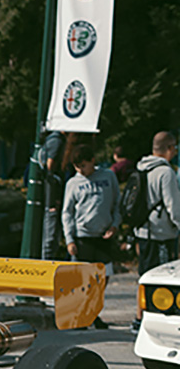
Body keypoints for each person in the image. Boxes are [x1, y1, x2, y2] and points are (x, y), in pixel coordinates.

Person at [62, 143, 118, 329]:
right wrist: (69, 239)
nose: (81, 170)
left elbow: (117, 203)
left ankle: (92, 312)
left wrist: (115, 225)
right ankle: (81, 315)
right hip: (83, 236)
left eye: (83, 166)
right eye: (77, 167)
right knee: (83, 280)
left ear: (92, 161)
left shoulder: (108, 176)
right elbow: (67, 212)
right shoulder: (73, 183)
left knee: (103, 278)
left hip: (103, 235)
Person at [134, 131, 180, 276]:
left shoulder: (142, 167)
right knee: (162, 278)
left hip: (143, 230)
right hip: (161, 233)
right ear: (169, 148)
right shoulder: (166, 172)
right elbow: (173, 206)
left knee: (146, 276)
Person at [37, 130, 66, 260]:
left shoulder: (49, 139)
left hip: (49, 195)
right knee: (50, 234)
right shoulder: (57, 141)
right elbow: (50, 165)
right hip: (51, 197)